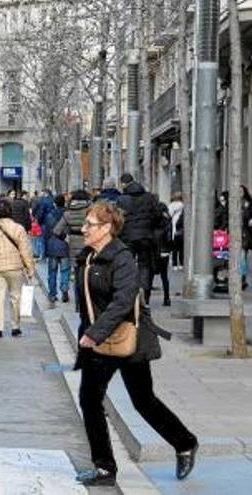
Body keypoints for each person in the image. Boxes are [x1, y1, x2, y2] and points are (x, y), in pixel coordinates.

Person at [75, 201, 197, 487]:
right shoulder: (89, 256)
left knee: (143, 401)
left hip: (129, 340)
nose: (84, 229)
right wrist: (90, 335)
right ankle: (104, 468)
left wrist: (94, 333)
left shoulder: (123, 258)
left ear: (106, 229)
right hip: (99, 342)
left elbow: (122, 301)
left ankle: (185, 443)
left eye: (89, 225)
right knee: (90, 400)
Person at [0, 198, 35, 338]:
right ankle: (15, 326)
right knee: (15, 297)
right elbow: (25, 251)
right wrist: (30, 268)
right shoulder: (18, 228)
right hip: (15, 267)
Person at [116, 173, 164, 304]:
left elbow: (118, 219)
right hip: (146, 236)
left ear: (123, 184)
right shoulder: (149, 198)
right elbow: (158, 215)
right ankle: (145, 293)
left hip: (127, 237)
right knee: (145, 265)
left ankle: (130, 294)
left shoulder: (122, 199)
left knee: (128, 265)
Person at [54, 190, 93, 311]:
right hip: (89, 245)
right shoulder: (90, 211)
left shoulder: (68, 213)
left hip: (73, 246)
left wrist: (66, 238)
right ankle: (88, 303)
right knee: (90, 275)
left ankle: (78, 304)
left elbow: (56, 231)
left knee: (77, 276)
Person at [44, 195, 71, 304]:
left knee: (52, 272)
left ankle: (52, 294)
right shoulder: (68, 214)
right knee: (65, 270)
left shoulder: (50, 215)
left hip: (52, 246)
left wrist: (45, 249)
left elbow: (46, 234)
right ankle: (64, 290)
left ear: (54, 203)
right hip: (65, 245)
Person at [153, 199, 172, 306]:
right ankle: (167, 298)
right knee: (164, 276)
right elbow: (169, 238)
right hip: (164, 251)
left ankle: (146, 299)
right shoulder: (167, 223)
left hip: (153, 250)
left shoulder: (151, 222)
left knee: (150, 276)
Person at [167, 192, 184, 270]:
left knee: (174, 248)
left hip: (174, 228)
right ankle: (181, 263)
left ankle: (174, 264)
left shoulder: (171, 205)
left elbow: (168, 215)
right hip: (182, 229)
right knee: (181, 248)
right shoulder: (184, 205)